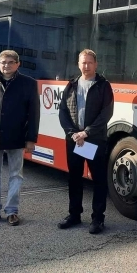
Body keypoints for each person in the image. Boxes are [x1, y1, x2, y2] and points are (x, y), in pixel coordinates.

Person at [58, 49, 114, 234]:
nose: (86, 66)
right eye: (83, 62)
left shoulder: (103, 85)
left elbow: (106, 113)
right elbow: (63, 111)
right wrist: (72, 133)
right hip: (74, 140)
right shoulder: (72, 84)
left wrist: (86, 133)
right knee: (74, 178)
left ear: (96, 64)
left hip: (94, 141)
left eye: (90, 62)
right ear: (78, 64)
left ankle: (98, 219)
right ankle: (74, 215)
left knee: (98, 180)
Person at [0, 50, 40, 226]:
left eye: (11, 62)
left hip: (17, 135)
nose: (7, 65)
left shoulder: (28, 83)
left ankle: (12, 210)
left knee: (16, 174)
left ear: (18, 64)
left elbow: (34, 113)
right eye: (4, 62)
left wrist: (31, 139)